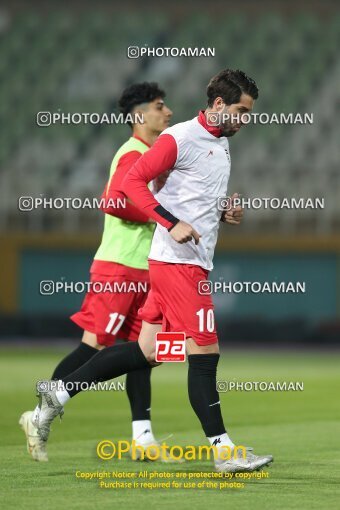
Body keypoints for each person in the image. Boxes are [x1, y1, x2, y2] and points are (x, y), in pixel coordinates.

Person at [31, 69, 273, 473]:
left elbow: (187, 197)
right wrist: (169, 222)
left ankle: (54, 398)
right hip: (179, 266)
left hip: (173, 264)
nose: (244, 119)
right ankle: (225, 452)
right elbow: (131, 184)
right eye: (240, 111)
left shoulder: (219, 141)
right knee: (205, 354)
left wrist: (222, 212)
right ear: (217, 105)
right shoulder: (179, 138)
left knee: (147, 352)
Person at [19, 82, 173, 462]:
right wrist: (165, 217)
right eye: (159, 106)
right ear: (140, 116)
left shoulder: (152, 155)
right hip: (120, 266)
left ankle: (143, 438)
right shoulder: (134, 152)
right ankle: (40, 413)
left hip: (143, 269)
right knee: (95, 346)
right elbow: (114, 201)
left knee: (142, 353)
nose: (167, 112)